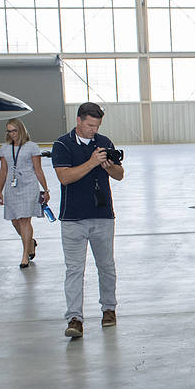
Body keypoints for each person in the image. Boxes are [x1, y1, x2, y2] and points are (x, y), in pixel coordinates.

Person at [51, 102, 124, 338]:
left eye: (97, 126)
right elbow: (65, 177)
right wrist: (92, 163)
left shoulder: (105, 142)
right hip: (72, 218)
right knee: (74, 269)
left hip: (102, 215)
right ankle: (75, 318)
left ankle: (109, 309)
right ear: (79, 121)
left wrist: (109, 167)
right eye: (90, 125)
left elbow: (120, 175)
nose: (94, 130)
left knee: (106, 266)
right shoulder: (62, 145)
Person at [0, 118, 50, 268]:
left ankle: (25, 254)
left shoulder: (32, 147)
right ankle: (30, 242)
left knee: (25, 220)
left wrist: (45, 189)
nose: (12, 134)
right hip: (12, 187)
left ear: (21, 130)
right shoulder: (5, 148)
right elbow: (3, 170)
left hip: (29, 185)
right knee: (15, 220)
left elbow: (38, 169)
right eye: (9, 131)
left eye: (14, 130)